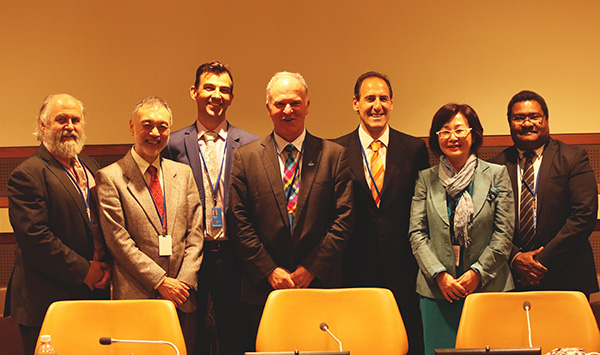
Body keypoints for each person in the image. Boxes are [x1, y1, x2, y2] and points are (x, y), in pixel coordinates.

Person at [228, 71, 354, 352]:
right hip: (263, 289)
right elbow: (238, 220)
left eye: (295, 103)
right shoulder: (246, 158)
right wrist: (269, 270)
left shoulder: (334, 156)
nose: (288, 110)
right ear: (269, 108)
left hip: (319, 285)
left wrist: (310, 268)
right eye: (280, 103)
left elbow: (343, 219)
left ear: (307, 105)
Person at [162, 61, 258, 355]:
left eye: (225, 90)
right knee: (192, 332)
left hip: (234, 254)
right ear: (194, 92)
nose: (217, 95)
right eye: (210, 88)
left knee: (235, 332)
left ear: (231, 96)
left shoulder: (250, 144)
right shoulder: (173, 143)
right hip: (190, 253)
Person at [96, 96, 204, 354]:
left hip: (182, 298)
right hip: (137, 296)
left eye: (163, 126)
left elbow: (196, 234)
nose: (155, 132)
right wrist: (161, 282)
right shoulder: (110, 178)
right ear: (132, 127)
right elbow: (119, 243)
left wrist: (182, 284)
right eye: (147, 124)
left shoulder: (183, 174)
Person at [7, 94, 111, 355]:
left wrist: (105, 263)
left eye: (75, 120)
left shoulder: (90, 166)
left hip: (91, 292)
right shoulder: (27, 173)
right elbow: (36, 239)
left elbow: (99, 222)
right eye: (61, 119)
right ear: (43, 126)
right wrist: (86, 270)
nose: (70, 126)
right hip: (46, 299)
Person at [334, 71, 428, 355]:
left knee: (405, 340)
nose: (377, 105)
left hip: (403, 264)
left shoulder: (413, 148)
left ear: (392, 102)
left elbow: (422, 206)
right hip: (353, 263)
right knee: (359, 339)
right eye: (369, 98)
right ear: (355, 103)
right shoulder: (336, 149)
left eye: (383, 98)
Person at [409, 103, 514, 355]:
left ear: (473, 134)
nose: (452, 137)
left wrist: (477, 273)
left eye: (459, 130)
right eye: (444, 131)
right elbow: (417, 233)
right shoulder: (426, 178)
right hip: (438, 292)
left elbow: (504, 234)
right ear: (436, 138)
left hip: (489, 287)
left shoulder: (496, 175)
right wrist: (439, 275)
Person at [490, 90, 599, 296]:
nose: (527, 123)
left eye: (534, 116)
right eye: (518, 118)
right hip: (513, 277)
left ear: (546, 119)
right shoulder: (495, 166)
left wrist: (538, 262)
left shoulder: (574, 158)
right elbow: (487, 222)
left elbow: (584, 216)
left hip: (567, 274)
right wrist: (516, 258)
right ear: (510, 124)